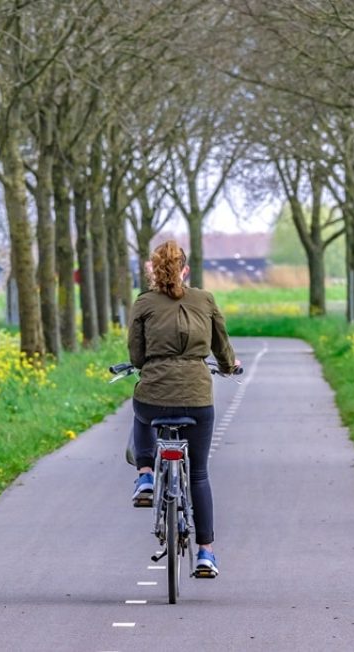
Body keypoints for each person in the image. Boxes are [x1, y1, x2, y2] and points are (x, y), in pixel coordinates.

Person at [126, 240, 240, 579]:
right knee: (200, 474)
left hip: (154, 394)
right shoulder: (205, 300)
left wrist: (149, 366)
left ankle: (145, 474)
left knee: (141, 407)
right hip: (198, 398)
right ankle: (205, 553)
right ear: (185, 270)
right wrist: (229, 365)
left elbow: (136, 355)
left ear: (153, 271)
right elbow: (222, 346)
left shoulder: (144, 303)